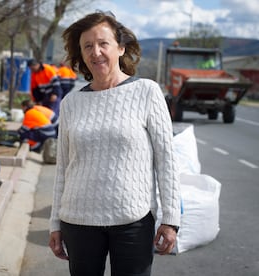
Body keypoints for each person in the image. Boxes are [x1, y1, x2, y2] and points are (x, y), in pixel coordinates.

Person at [48, 11, 181, 276]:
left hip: (132, 220)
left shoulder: (147, 92)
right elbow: (63, 167)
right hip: (78, 221)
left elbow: (166, 160)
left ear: (120, 48)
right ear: (81, 54)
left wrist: (171, 219)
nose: (95, 52)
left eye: (102, 43)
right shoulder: (71, 104)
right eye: (87, 46)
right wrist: (55, 223)